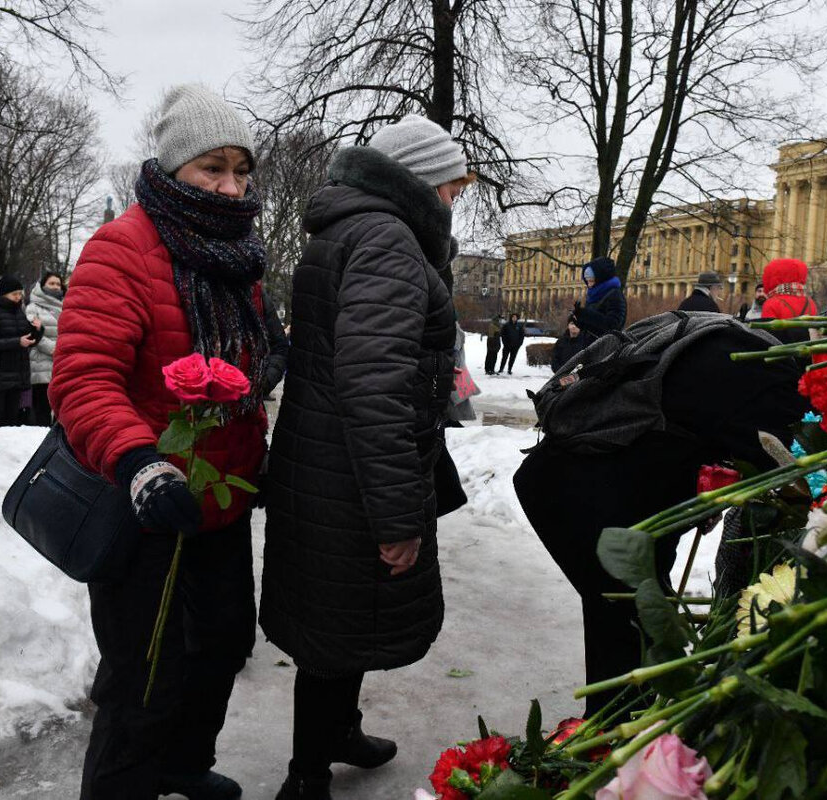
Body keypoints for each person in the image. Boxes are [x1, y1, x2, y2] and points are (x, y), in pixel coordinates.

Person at [48, 84, 268, 800]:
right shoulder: (122, 248)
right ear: (174, 168)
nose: (231, 186)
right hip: (143, 505)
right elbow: (83, 378)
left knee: (225, 643)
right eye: (213, 168)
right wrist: (140, 463)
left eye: (241, 170)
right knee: (144, 676)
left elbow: (245, 370)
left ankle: (181, 764)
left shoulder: (238, 256)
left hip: (219, 504)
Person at [260, 114, 470, 800]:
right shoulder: (386, 239)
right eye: (451, 186)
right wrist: (397, 518)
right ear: (419, 181)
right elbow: (374, 387)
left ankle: (337, 735)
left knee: (339, 618)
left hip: (327, 461)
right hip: (350, 477)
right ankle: (306, 776)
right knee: (334, 629)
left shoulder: (351, 229)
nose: (455, 199)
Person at [514, 323, 808, 717]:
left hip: (580, 483)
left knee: (633, 620)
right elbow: (793, 478)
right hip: (587, 497)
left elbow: (691, 431)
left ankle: (624, 724)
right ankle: (614, 732)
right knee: (629, 628)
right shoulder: (776, 383)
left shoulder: (742, 346)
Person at [0, 275, 41, 428]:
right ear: (3, 294)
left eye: (20, 293)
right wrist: (17, 342)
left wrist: (37, 330)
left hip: (16, 374)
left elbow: (28, 340)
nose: (18, 297)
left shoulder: (18, 310)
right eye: (14, 294)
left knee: (12, 420)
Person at [25, 271, 64, 426]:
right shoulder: (33, 307)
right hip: (41, 364)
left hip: (62, 363)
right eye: (51, 283)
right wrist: (55, 349)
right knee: (42, 409)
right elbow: (33, 334)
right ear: (42, 286)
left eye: (58, 284)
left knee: (62, 411)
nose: (55, 287)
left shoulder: (67, 305)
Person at [573, 256, 626, 335]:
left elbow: (613, 325)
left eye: (591, 281)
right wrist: (578, 320)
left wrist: (586, 315)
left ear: (600, 278)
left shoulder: (615, 296)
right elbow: (593, 327)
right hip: (592, 341)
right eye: (587, 282)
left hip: (606, 342)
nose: (589, 285)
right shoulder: (594, 295)